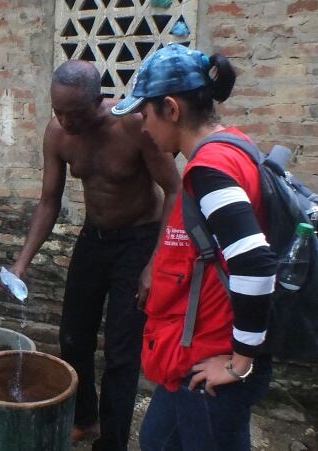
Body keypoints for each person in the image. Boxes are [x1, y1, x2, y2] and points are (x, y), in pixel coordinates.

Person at [111, 43, 277, 450]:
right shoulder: (234, 146)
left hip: (211, 364)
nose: (143, 128)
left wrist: (239, 362)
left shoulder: (210, 169)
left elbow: (255, 261)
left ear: (171, 109)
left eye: (145, 114)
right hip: (190, 357)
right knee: (156, 440)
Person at [9, 60, 181, 451]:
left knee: (122, 352)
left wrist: (156, 263)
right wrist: (22, 262)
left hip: (138, 241)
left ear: (99, 102)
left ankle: (113, 441)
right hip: (94, 239)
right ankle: (85, 419)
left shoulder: (133, 126)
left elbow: (174, 189)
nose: (66, 121)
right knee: (72, 338)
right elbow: (48, 201)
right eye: (58, 112)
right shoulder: (58, 134)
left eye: (75, 113)